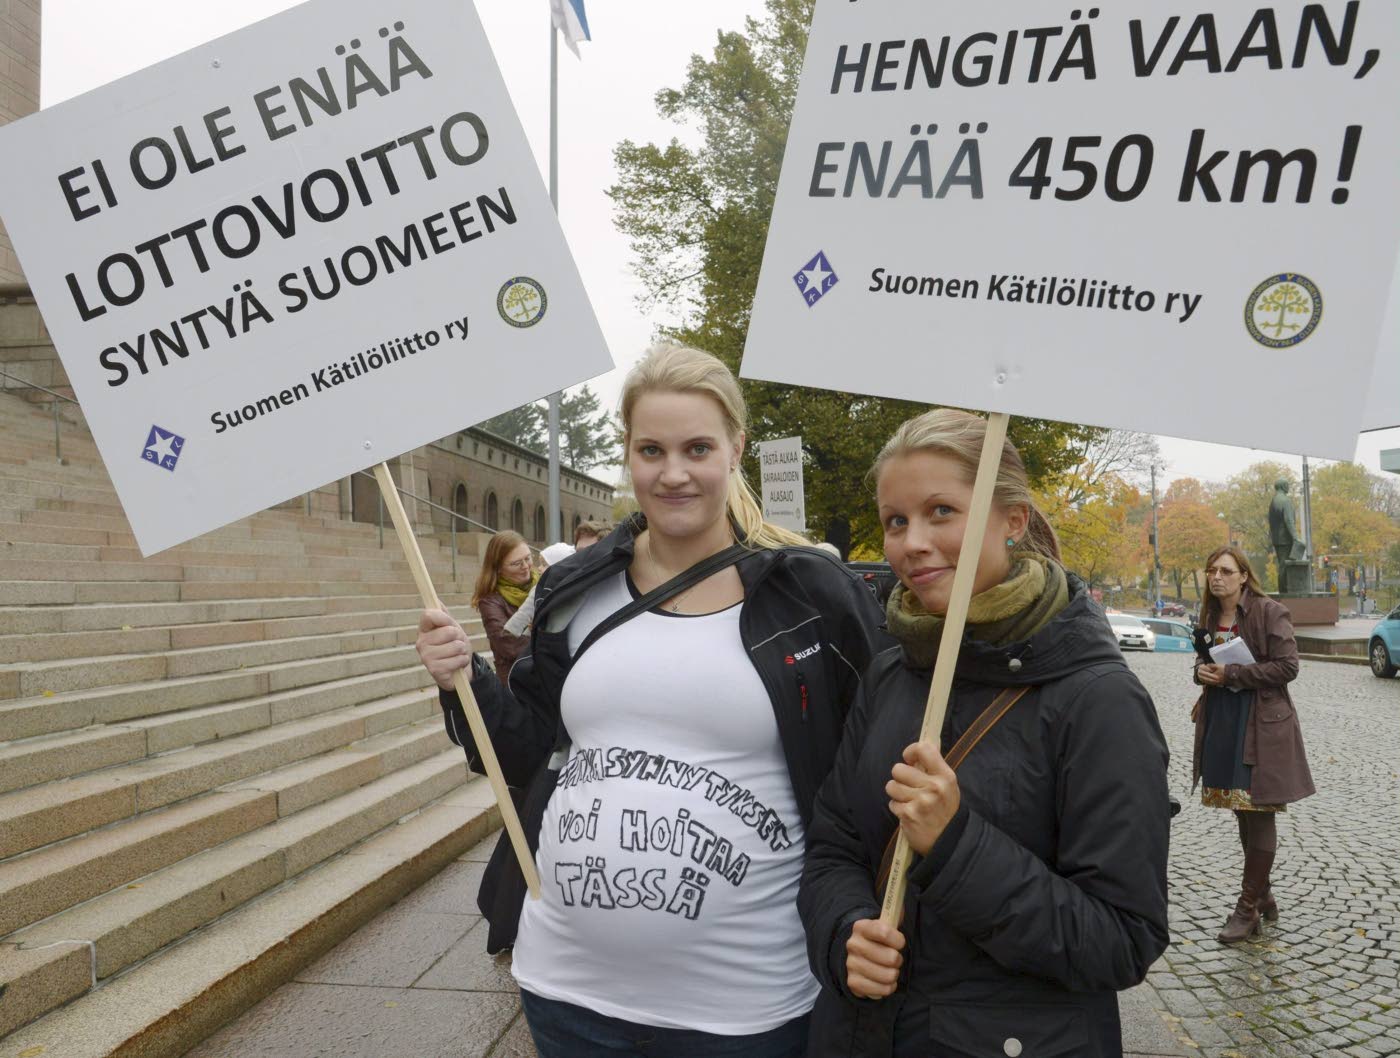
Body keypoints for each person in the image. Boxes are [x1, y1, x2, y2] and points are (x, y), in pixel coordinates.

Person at [416, 344, 886, 1057]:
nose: (673, 473)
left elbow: (865, 780)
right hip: (566, 994)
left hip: (745, 1009)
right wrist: (465, 681)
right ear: (628, 453)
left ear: (735, 448)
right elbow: (524, 750)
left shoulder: (812, 594)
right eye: (651, 450)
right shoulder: (573, 589)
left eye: (697, 448)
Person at [799, 409, 1171, 1058]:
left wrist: (955, 844)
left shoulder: (1098, 699)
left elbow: (1121, 940)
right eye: (896, 520)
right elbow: (834, 845)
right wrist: (844, 934)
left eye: (941, 511)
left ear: (1013, 520)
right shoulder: (890, 671)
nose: (912, 542)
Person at [1191, 545, 1314, 944]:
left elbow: (1288, 666)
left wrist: (1231, 673)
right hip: (1223, 721)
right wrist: (1203, 672)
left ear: (1244, 576)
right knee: (1241, 812)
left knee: (1259, 812)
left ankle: (1247, 909)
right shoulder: (1209, 615)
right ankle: (1263, 895)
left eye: (1226, 571)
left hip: (1261, 723)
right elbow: (1205, 662)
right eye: (1212, 570)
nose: (1217, 577)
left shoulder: (1268, 611)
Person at [471, 530, 535, 686]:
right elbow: (508, 645)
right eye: (516, 563)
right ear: (498, 568)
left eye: (528, 558)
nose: (525, 566)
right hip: (518, 683)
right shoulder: (490, 601)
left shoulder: (543, 583)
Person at [504, 542, 576, 638]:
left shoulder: (570, 590)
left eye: (544, 564)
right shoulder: (540, 588)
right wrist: (512, 629)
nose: (539, 568)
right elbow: (525, 612)